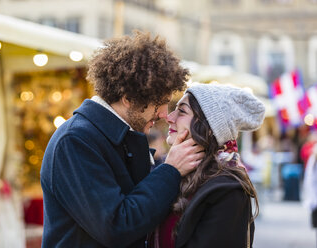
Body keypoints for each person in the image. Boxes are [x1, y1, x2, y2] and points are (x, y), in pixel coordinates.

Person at [40, 31, 204, 248]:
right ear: (128, 98)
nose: (165, 113)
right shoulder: (75, 141)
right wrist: (170, 170)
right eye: (159, 102)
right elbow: (115, 226)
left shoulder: (113, 137)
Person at [152, 83, 265, 248]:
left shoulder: (228, 190)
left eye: (182, 111)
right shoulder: (177, 172)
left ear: (210, 127)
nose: (169, 117)